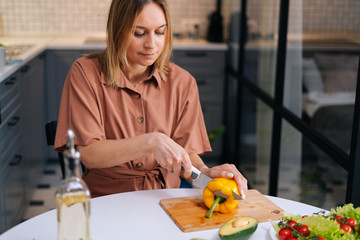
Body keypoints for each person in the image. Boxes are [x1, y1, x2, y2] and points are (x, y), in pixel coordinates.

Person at [54, 0, 248, 198]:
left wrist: (205, 172)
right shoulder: (85, 73)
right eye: (139, 33)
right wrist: (150, 141)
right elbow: (89, 154)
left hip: (163, 199)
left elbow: (184, 154)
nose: (152, 44)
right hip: (106, 200)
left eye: (160, 32)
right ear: (118, 30)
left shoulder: (183, 82)